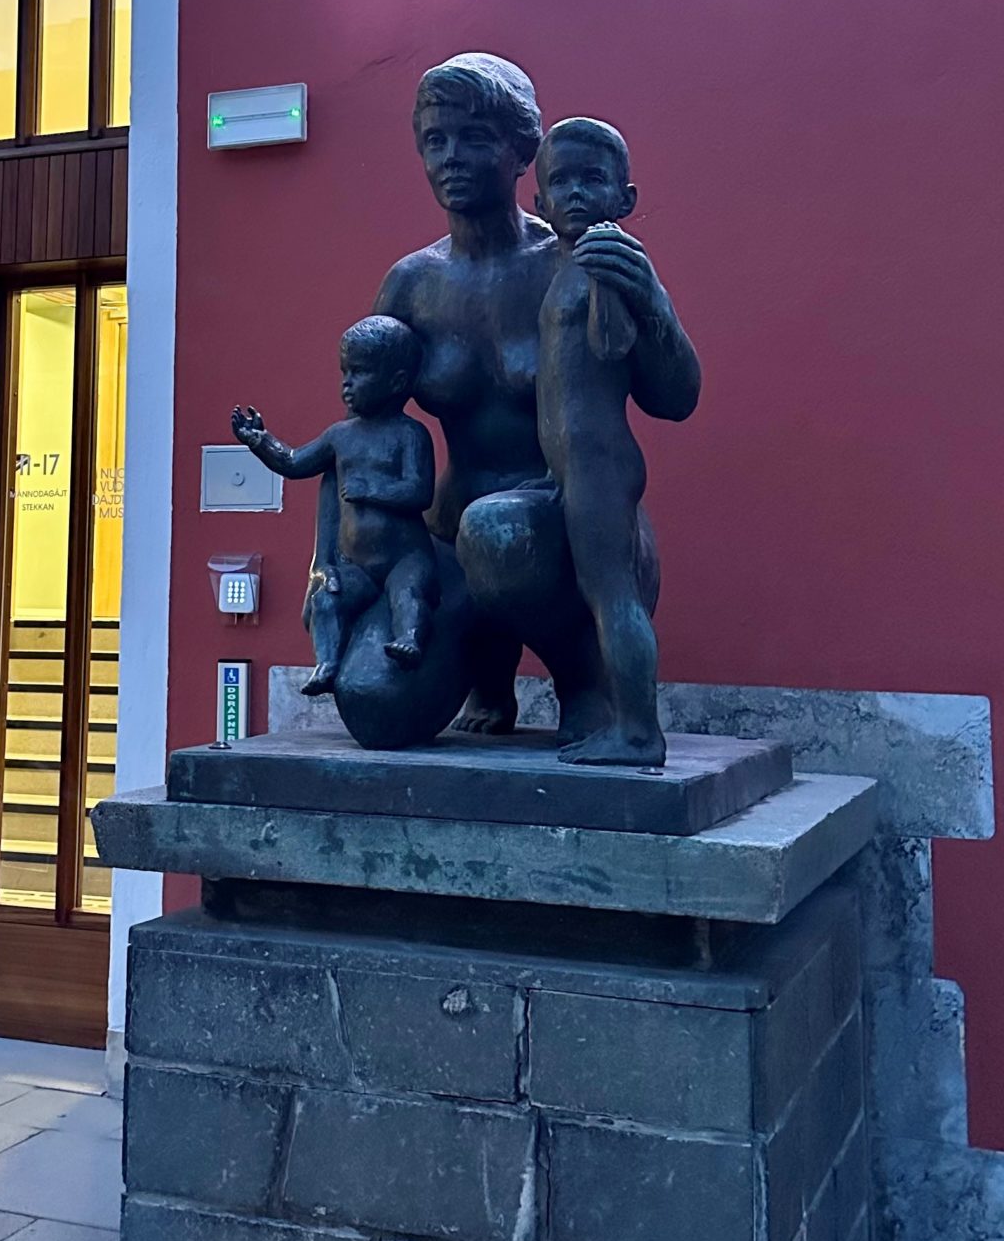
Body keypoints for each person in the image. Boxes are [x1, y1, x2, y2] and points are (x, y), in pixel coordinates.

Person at [375, 53, 699, 738]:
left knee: (496, 534)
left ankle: (586, 679)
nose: (451, 158)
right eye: (435, 140)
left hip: (566, 532)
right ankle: (485, 679)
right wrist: (343, 560)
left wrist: (652, 303)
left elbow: (676, 398)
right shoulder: (411, 285)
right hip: (453, 536)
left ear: (523, 152)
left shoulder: (578, 255)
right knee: (378, 708)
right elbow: (367, 428)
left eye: (474, 138)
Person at [532, 116, 685, 766]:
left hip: (597, 461)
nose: (575, 194)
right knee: (601, 591)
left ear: (625, 197)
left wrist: (635, 294)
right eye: (561, 182)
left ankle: (638, 730)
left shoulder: (605, 257)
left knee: (611, 593)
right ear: (539, 203)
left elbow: (614, 343)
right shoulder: (567, 263)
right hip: (570, 466)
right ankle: (627, 723)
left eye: (591, 179)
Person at [232, 316, 439, 693]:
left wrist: (372, 490)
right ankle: (327, 663)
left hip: (404, 558)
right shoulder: (340, 436)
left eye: (359, 373)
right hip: (357, 564)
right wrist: (261, 442)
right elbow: (295, 462)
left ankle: (409, 639)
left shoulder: (410, 434)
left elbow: (419, 492)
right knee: (327, 600)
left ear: (396, 382)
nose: (347, 383)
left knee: (408, 595)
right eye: (345, 372)